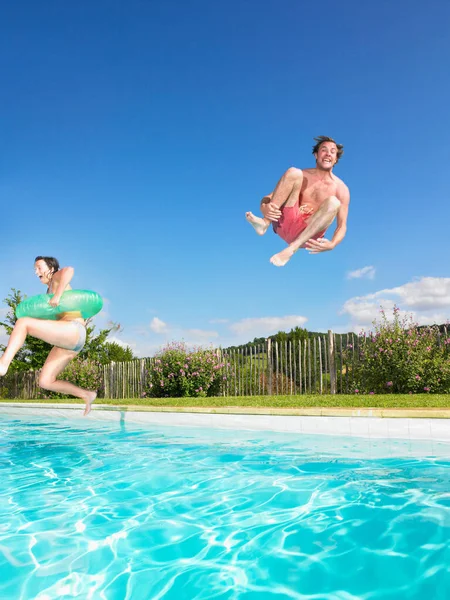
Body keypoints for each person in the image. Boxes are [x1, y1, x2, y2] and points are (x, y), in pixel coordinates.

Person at [0, 256, 97, 415]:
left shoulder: (56, 278)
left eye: (39, 267)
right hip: (69, 342)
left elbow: (69, 270)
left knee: (23, 322)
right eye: (35, 269)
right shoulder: (48, 290)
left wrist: (58, 295)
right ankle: (87, 394)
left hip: (73, 329)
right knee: (45, 381)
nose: (36, 271)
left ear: (51, 269)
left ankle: (3, 363)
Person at [245, 136, 350, 266]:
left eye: (332, 151)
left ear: (335, 159)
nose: (328, 153)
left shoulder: (342, 189)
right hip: (285, 222)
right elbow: (270, 196)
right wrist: (264, 207)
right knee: (293, 172)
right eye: (324, 150)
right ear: (316, 155)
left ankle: (290, 250)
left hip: (309, 235)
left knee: (334, 202)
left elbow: (342, 225)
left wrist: (333, 244)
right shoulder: (303, 174)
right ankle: (264, 223)